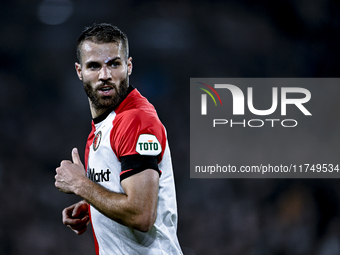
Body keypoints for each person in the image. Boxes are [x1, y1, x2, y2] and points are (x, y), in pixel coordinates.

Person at [54, 23, 182, 255]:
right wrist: (93, 205)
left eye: (114, 64)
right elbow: (126, 192)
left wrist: (80, 185)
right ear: (79, 70)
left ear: (129, 66)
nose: (105, 75)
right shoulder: (105, 124)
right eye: (94, 66)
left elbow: (141, 215)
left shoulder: (135, 120)